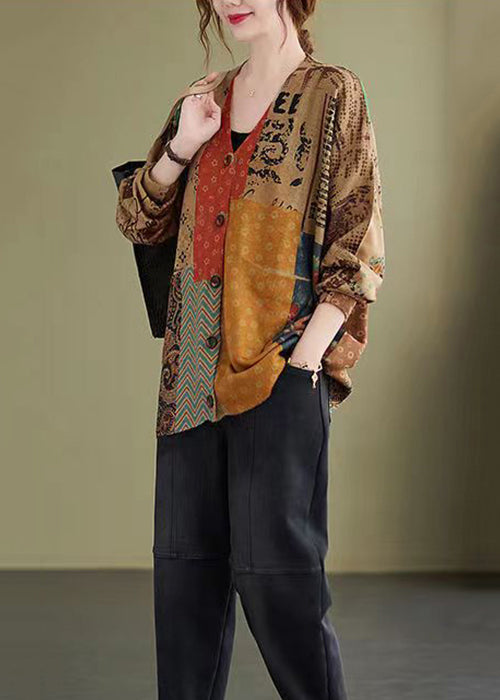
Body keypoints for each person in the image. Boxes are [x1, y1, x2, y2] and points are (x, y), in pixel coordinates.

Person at [115, 1, 385, 698]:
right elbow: (138, 219)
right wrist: (182, 145)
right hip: (188, 375)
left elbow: (357, 247)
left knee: (278, 581)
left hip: (278, 365)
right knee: (186, 586)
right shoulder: (203, 100)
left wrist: (306, 360)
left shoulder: (332, 93)